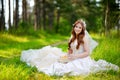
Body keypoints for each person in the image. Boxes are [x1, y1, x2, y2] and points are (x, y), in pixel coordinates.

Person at [21, 19, 119, 76]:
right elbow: (70, 50)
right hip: (72, 57)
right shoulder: (71, 37)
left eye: (79, 27)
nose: (77, 28)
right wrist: (67, 56)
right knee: (57, 61)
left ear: (82, 29)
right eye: (76, 26)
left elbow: (87, 53)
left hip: (82, 58)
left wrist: (75, 57)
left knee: (67, 68)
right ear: (74, 27)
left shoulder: (84, 38)